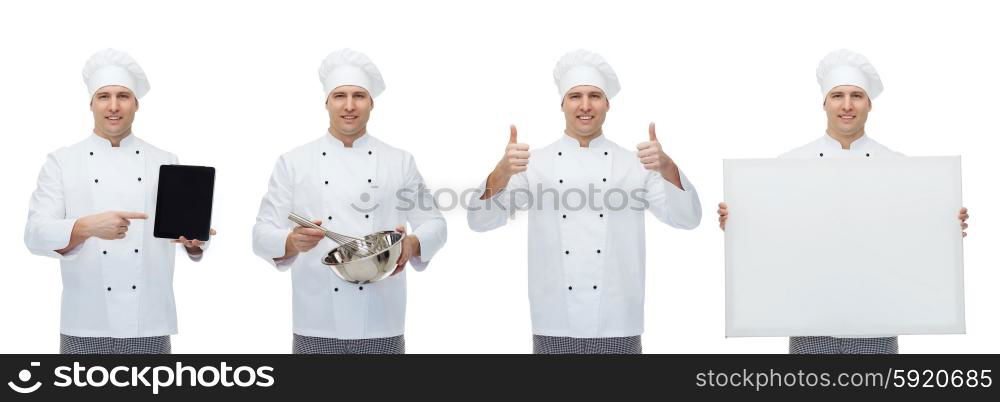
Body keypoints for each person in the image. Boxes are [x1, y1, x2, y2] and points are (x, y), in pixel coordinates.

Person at [717, 49, 970, 354]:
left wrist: (946, 226)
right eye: (838, 96)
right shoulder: (788, 166)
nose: (847, 106)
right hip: (809, 321)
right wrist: (740, 221)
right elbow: (775, 235)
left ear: (869, 104)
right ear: (824, 103)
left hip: (878, 321)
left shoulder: (900, 169)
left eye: (856, 96)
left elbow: (912, 238)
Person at [467, 49, 702, 354]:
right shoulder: (533, 164)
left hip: (618, 320)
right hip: (554, 321)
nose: (585, 105)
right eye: (575, 96)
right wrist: (500, 173)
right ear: (563, 104)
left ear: (607, 104)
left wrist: (668, 167)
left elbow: (688, 218)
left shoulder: (637, 164)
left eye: (595, 96)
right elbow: (479, 221)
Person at [252, 49, 447, 354]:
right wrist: (291, 242)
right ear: (326, 102)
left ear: (372, 104)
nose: (349, 106)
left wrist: (412, 245)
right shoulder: (293, 162)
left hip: (382, 321)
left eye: (359, 96)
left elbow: (435, 223)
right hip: (316, 323)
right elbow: (261, 234)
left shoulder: (399, 162)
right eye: (340, 96)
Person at [24, 48, 215, 354]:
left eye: (123, 96)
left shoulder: (165, 160)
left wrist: (194, 243)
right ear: (91, 103)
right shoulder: (61, 161)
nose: (113, 107)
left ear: (136, 104)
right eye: (104, 96)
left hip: (149, 322)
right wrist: (86, 227)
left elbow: (182, 230)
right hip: (85, 322)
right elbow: (34, 234)